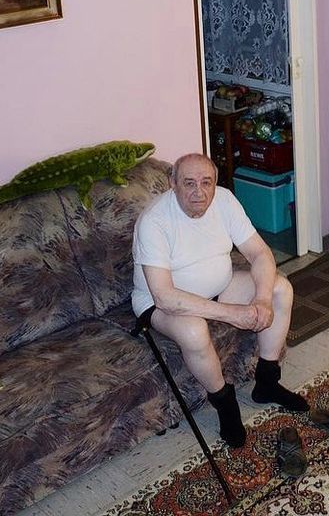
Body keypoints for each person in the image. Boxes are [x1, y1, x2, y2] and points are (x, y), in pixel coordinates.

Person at [131, 153, 308, 449]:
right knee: (193, 331)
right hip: (160, 303)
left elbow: (259, 253)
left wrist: (262, 299)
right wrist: (231, 314)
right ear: (172, 183)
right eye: (189, 183)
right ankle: (226, 404)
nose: (199, 192)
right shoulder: (154, 221)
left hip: (218, 287)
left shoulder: (224, 200)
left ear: (215, 183)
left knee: (281, 289)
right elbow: (165, 296)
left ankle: (267, 382)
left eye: (206, 183)